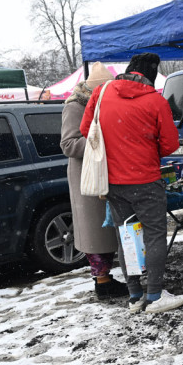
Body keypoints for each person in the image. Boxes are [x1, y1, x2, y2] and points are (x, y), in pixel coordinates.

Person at [80, 52, 183, 314]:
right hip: (146, 180)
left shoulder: (101, 94)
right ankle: (156, 295)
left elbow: (86, 130)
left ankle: (135, 295)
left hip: (113, 182)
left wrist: (117, 142)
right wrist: (144, 145)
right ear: (150, 76)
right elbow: (171, 145)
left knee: (126, 234)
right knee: (154, 235)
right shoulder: (155, 101)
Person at [60, 62, 128, 299]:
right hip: (87, 177)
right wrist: (101, 140)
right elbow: (68, 144)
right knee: (95, 232)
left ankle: (107, 279)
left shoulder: (104, 102)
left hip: (107, 174)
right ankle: (103, 282)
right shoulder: (75, 106)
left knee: (108, 230)